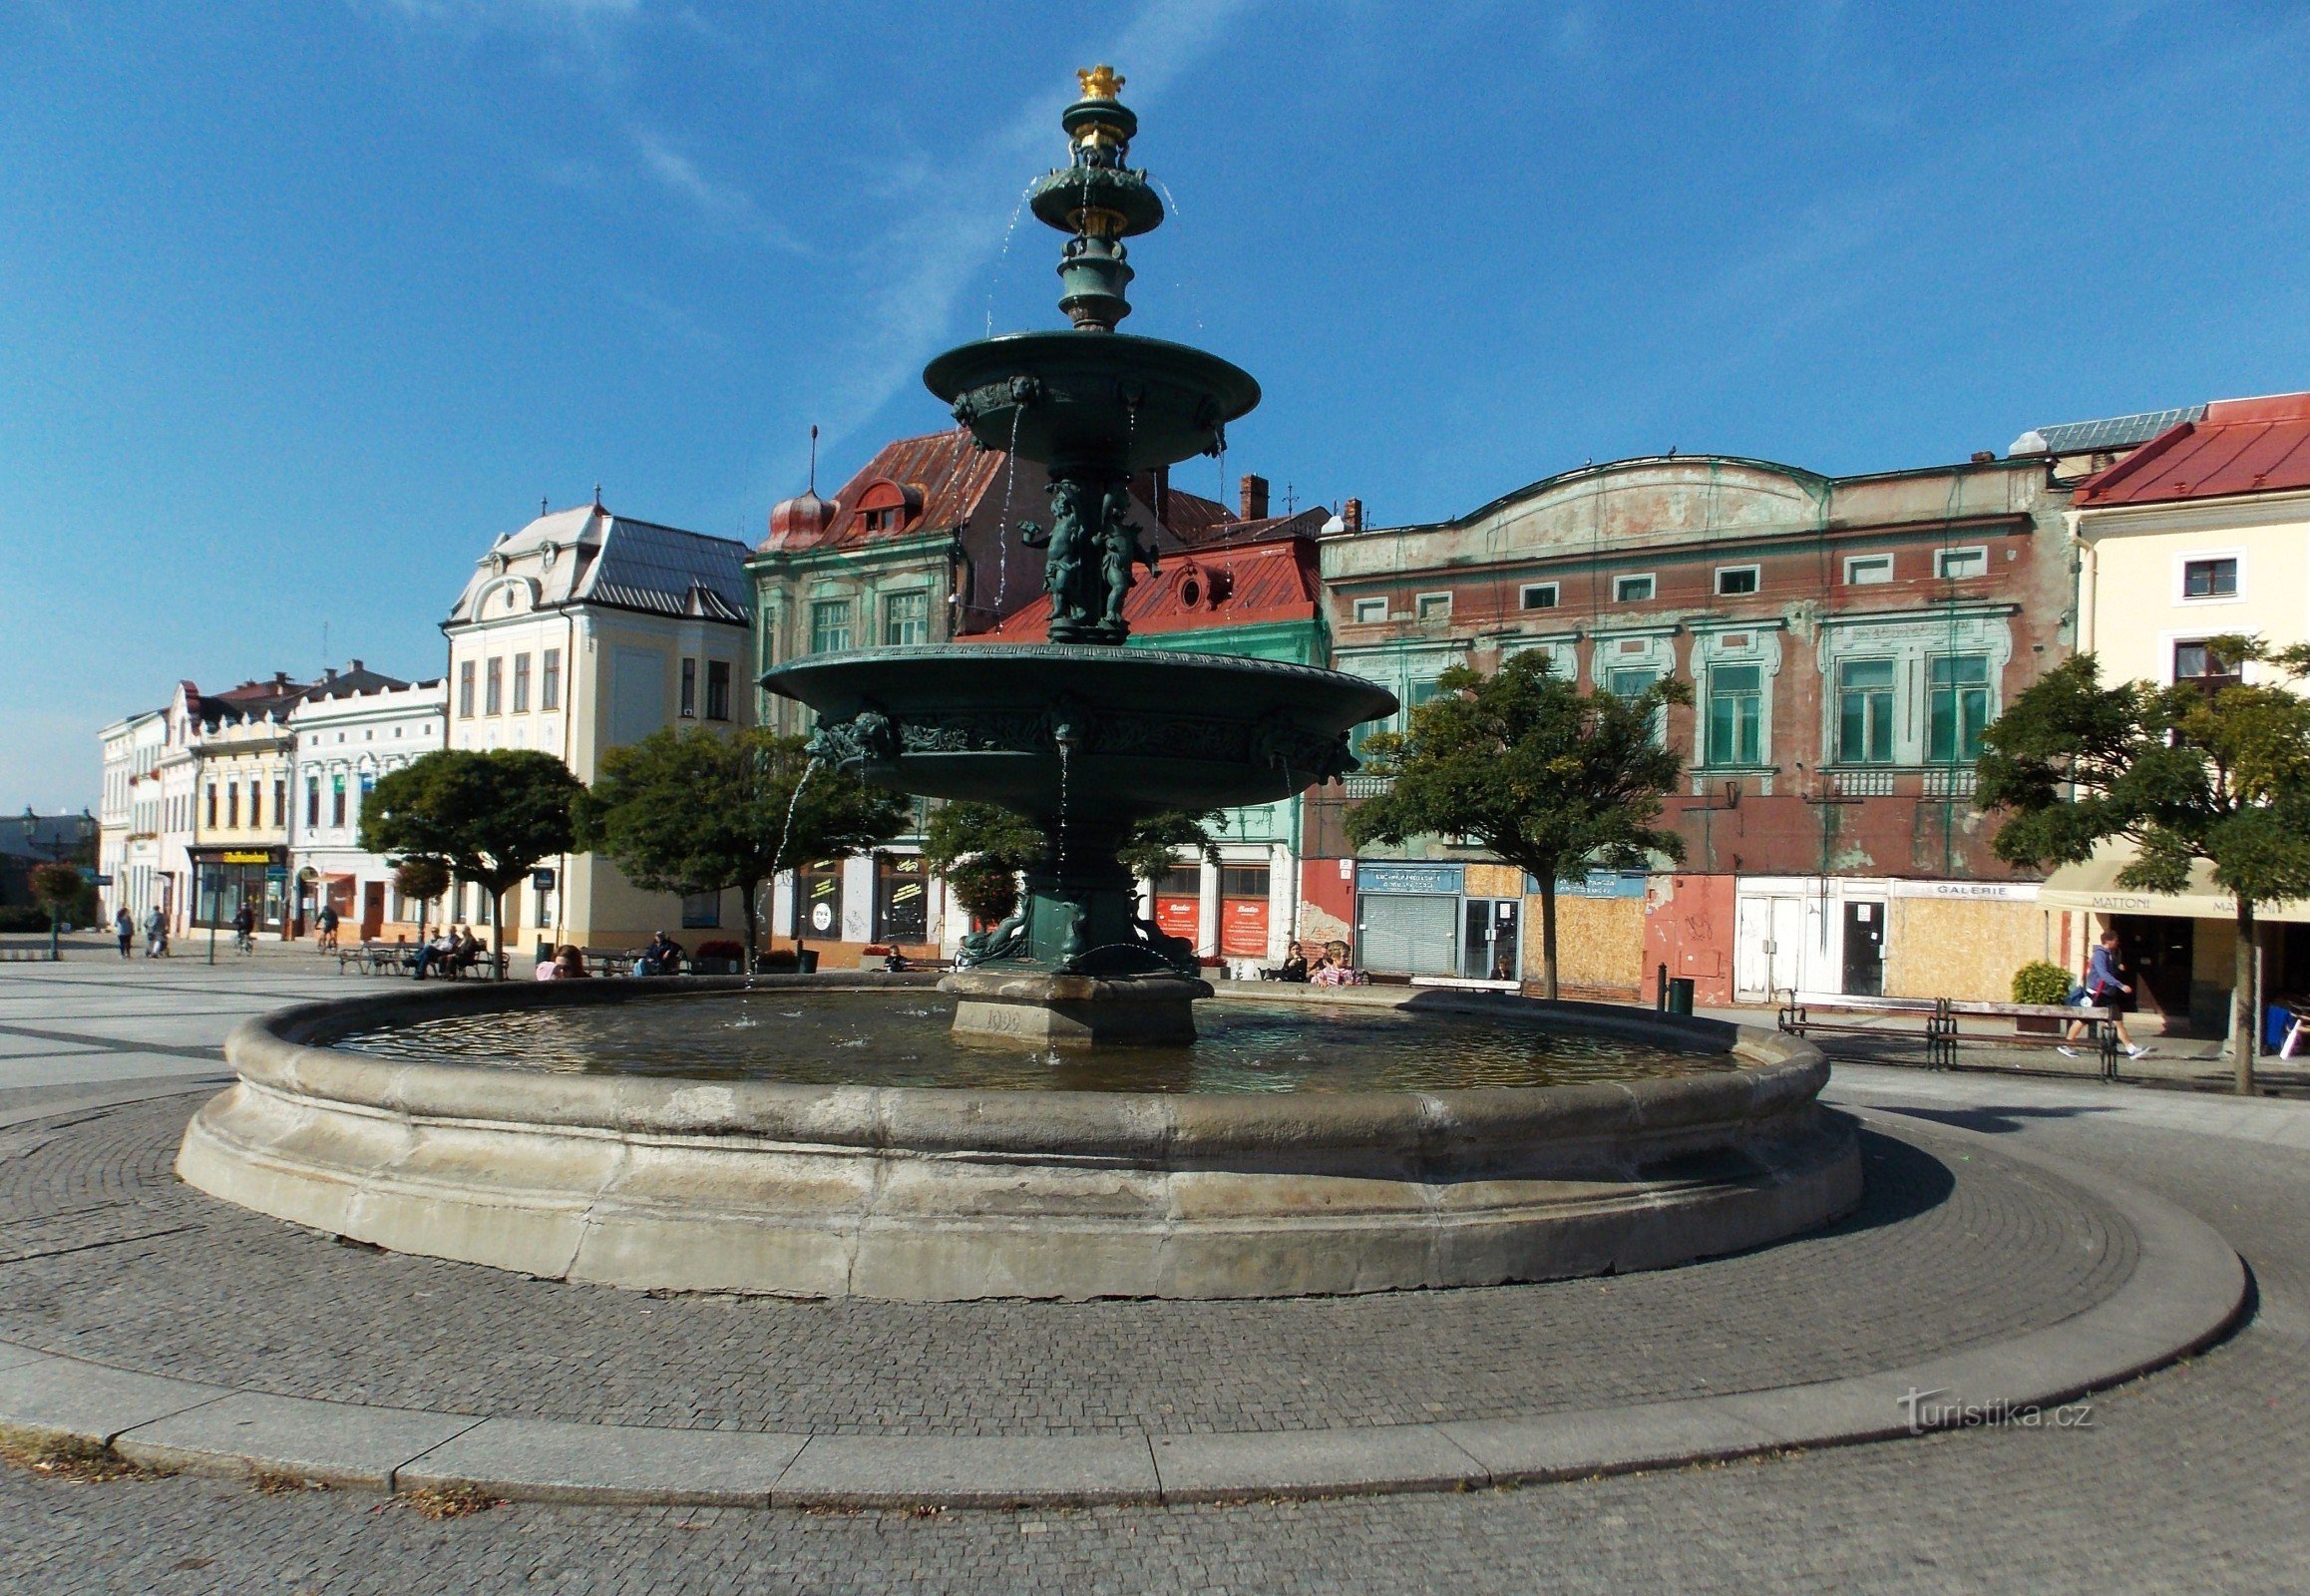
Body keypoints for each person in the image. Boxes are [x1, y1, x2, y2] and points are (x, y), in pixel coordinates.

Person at [2062, 930, 2148, 1059]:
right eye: (2116, 940)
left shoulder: (2109, 954)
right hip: (2097, 994)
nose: (2117, 942)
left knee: (2116, 1021)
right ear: (2108, 941)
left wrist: (2117, 967)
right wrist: (2121, 985)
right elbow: (2103, 974)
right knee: (2083, 1020)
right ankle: (2067, 1045)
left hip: (2105, 994)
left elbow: (2107, 970)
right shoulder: (2100, 955)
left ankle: (2131, 1049)